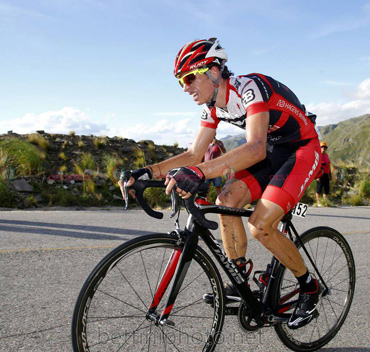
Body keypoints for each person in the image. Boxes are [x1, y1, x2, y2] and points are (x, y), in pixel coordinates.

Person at [119, 38, 323, 329]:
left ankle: (309, 287)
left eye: (189, 78)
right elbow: (193, 154)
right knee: (225, 201)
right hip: (271, 150)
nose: (185, 87)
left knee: (260, 226)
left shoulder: (250, 88)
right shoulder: (212, 106)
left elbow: (254, 148)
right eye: (180, 82)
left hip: (300, 149)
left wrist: (200, 173)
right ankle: (240, 277)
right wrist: (147, 172)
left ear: (214, 71)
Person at [316, 142, 332, 206]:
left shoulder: (326, 155)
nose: (323, 148)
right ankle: (318, 202)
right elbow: (316, 166)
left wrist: (330, 174)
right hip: (320, 174)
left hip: (326, 174)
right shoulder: (318, 156)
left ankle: (325, 202)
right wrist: (317, 176)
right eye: (322, 147)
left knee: (326, 189)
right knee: (319, 188)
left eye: (325, 147)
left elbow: (328, 165)